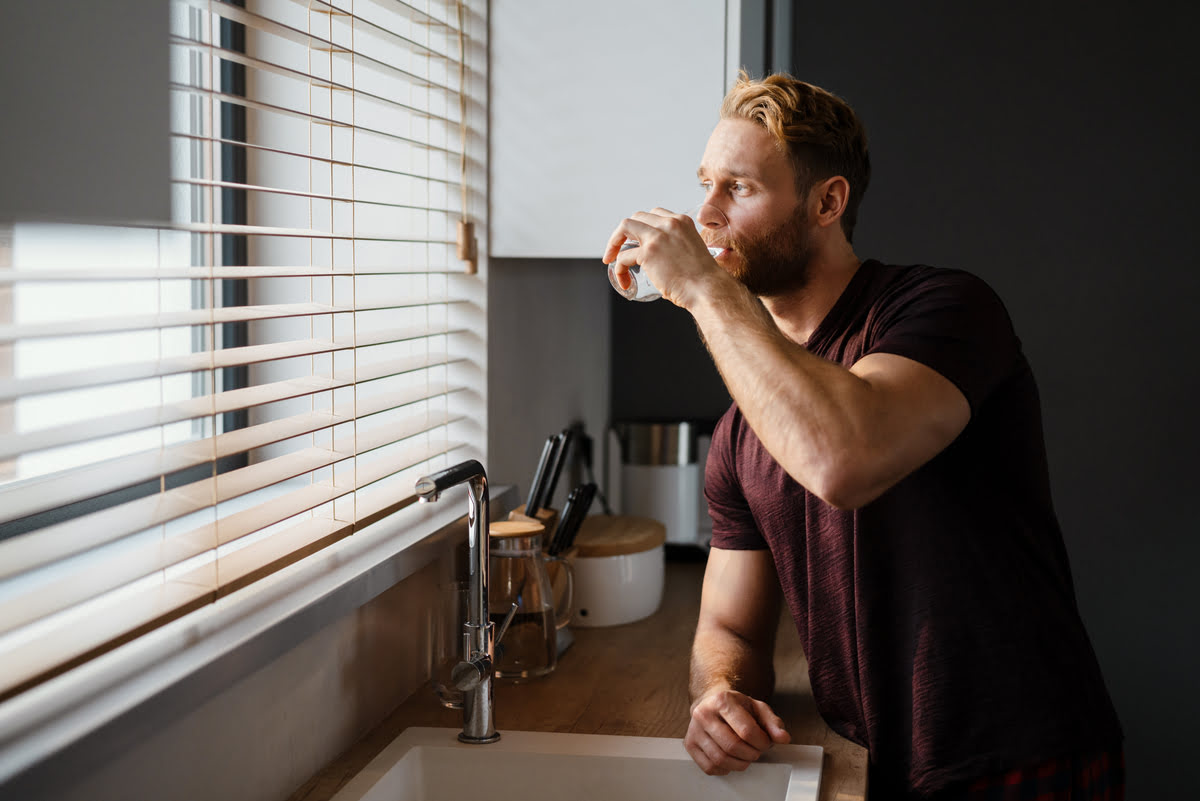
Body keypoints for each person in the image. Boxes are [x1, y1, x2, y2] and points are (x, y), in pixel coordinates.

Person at [603, 73, 1124, 800]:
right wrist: (717, 694)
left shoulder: (944, 309)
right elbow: (731, 627)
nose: (706, 215)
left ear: (828, 202)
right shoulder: (738, 432)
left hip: (1016, 758)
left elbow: (841, 457)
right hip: (873, 765)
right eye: (704, 184)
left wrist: (702, 288)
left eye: (739, 189)